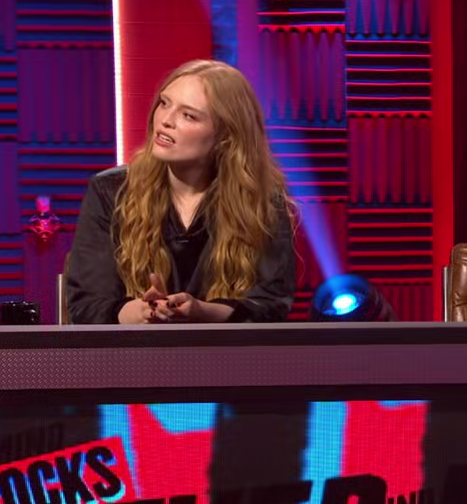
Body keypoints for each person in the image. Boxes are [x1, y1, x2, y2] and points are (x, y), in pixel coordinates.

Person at [67, 59, 297, 324]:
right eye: (164, 103)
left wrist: (202, 311)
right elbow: (87, 305)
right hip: (134, 349)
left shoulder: (262, 199)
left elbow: (270, 306)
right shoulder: (110, 192)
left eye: (188, 115)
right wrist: (141, 312)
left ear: (225, 137)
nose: (165, 120)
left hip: (225, 350)